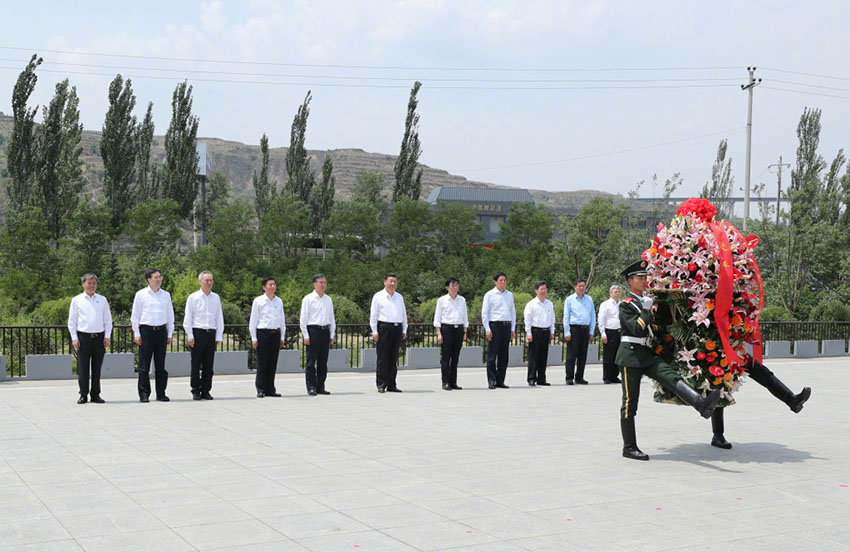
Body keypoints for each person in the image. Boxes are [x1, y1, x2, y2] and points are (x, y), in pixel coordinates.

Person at [616, 260, 722, 461]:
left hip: (646, 353)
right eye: (640, 278)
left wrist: (671, 330)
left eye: (645, 277)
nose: (644, 281)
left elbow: (650, 330)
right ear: (630, 281)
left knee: (671, 376)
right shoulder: (627, 305)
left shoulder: (644, 302)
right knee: (630, 402)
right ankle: (629, 447)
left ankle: (700, 403)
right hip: (630, 356)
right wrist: (647, 312)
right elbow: (636, 329)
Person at [709, 361, 811, 449]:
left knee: (759, 370)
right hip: (711, 348)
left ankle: (792, 400)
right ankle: (718, 435)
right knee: (719, 385)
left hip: (732, 348)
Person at [131, 268, 175, 403]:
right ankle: (144, 394)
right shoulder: (141, 294)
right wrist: (137, 333)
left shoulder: (166, 295)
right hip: (146, 332)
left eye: (160, 277)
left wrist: (170, 333)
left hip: (161, 331)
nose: (159, 279)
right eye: (156, 277)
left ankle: (161, 393)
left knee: (160, 366)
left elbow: (170, 315)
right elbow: (135, 316)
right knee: (144, 366)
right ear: (149, 279)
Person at [68, 273, 112, 404]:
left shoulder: (102, 300)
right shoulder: (77, 300)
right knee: (83, 368)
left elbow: (108, 320)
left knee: (97, 368)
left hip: (99, 338)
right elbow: (72, 322)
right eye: (89, 283)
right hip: (83, 338)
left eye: (94, 283)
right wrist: (74, 338)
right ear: (83, 284)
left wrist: (107, 336)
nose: (92, 285)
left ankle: (95, 394)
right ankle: (83, 394)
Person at [183, 271, 224, 401]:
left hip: (210, 332)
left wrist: (219, 335)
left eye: (211, 280)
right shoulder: (193, 297)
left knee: (209, 364)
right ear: (200, 281)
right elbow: (188, 317)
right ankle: (195, 390)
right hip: (198, 332)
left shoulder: (216, 297)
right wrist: (190, 334)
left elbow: (219, 317)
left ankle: (206, 390)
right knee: (196, 364)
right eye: (206, 280)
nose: (209, 282)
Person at [370, 273, 407, 393]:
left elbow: (403, 314)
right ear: (385, 282)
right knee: (383, 357)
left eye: (395, 281)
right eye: (390, 281)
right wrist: (374, 331)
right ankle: (381, 384)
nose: (393, 284)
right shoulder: (378, 296)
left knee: (393, 357)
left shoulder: (399, 297)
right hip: (384, 327)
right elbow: (374, 315)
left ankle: (392, 384)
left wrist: (404, 329)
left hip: (397, 327)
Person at [300, 274, 336, 396]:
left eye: (324, 282)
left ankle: (321, 386)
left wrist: (332, 333)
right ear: (314, 284)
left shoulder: (328, 299)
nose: (323, 285)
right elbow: (303, 319)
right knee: (311, 361)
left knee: (323, 361)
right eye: (320, 282)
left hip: (325, 330)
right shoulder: (308, 299)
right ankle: (311, 387)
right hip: (313, 330)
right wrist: (306, 335)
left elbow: (331, 318)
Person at [249, 277, 285, 398]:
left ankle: (270, 388)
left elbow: (282, 320)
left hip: (276, 333)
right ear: (264, 287)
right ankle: (260, 388)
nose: (273, 287)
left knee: (272, 363)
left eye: (274, 284)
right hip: (263, 333)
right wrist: (254, 337)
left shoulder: (278, 301)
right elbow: (253, 320)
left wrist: (282, 335)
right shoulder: (258, 301)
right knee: (262, 362)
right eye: (270, 285)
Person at [481, 272, 516, 389]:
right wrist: (487, 329)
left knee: (504, 356)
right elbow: (485, 313)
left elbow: (512, 312)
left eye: (505, 280)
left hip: (506, 326)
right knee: (492, 355)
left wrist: (512, 328)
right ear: (495, 282)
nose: (503, 282)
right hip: (495, 326)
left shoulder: (509, 295)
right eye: (501, 280)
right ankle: (491, 380)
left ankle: (500, 380)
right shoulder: (489, 295)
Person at [433, 278, 468, 391]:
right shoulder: (442, 300)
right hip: (446, 329)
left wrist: (465, 331)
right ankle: (445, 382)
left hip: (459, 329)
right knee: (446, 357)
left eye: (456, 285)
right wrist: (439, 333)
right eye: (452, 285)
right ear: (447, 287)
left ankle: (453, 382)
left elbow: (465, 316)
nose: (455, 287)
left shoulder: (462, 300)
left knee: (455, 357)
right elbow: (437, 318)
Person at [563, 279, 596, 385]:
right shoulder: (570, 299)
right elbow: (566, 316)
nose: (582, 288)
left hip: (585, 329)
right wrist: (567, 331)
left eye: (583, 286)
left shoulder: (589, 299)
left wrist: (591, 329)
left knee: (583, 355)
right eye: (579, 286)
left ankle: (580, 377)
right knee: (571, 355)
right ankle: (569, 377)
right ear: (575, 287)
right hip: (574, 329)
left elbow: (592, 315)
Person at [523, 281, 555, 387]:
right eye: (541, 289)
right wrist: (528, 333)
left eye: (545, 289)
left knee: (543, 356)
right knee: (533, 356)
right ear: (536, 290)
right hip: (535, 331)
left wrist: (552, 331)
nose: (543, 291)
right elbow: (527, 319)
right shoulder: (531, 304)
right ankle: (531, 378)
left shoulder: (549, 304)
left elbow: (552, 319)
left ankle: (542, 378)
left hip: (546, 331)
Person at [597, 285, 623, 384]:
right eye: (615, 292)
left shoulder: (622, 304)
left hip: (619, 332)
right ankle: (607, 376)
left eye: (619, 292)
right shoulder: (605, 304)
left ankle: (614, 376)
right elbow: (601, 319)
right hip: (609, 332)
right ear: (610, 293)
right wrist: (603, 333)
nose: (617, 294)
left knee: (618, 355)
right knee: (608, 356)